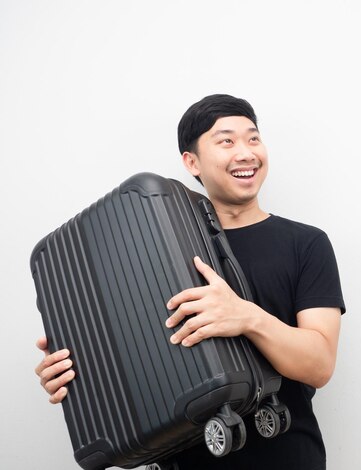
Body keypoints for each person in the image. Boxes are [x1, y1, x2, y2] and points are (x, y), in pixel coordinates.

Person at [34, 94, 345, 470]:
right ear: (191, 161)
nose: (245, 152)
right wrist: (79, 374)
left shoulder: (305, 243)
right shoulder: (150, 251)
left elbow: (319, 365)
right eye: (226, 141)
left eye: (253, 138)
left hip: (284, 455)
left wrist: (247, 316)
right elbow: (138, 351)